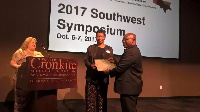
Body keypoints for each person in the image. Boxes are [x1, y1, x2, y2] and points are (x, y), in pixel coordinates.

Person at [105, 33, 143, 112]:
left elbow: (120, 68)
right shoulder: (133, 50)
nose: (123, 41)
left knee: (129, 109)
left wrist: (108, 72)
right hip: (130, 86)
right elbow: (126, 66)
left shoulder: (131, 52)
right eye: (123, 39)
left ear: (133, 41)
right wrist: (115, 62)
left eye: (125, 39)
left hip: (129, 87)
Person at [10, 37, 44, 112]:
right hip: (21, 79)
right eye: (32, 42)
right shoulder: (20, 52)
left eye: (35, 43)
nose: (34, 44)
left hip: (34, 80)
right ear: (27, 43)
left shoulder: (38, 54)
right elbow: (12, 62)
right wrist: (18, 66)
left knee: (32, 101)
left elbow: (44, 64)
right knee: (20, 102)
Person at [84, 29, 113, 112]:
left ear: (104, 37)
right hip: (92, 77)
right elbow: (86, 60)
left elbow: (110, 61)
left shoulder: (109, 49)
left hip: (103, 78)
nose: (99, 38)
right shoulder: (91, 48)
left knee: (102, 101)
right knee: (90, 101)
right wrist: (90, 65)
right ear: (96, 37)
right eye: (98, 36)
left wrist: (111, 63)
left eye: (101, 36)